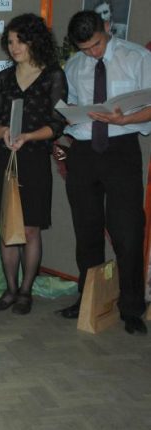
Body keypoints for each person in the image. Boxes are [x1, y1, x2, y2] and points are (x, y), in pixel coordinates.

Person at [57, 11, 151, 335]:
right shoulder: (74, 65)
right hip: (83, 151)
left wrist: (125, 119)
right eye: (85, 49)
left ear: (107, 29)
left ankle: (132, 307)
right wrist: (68, 116)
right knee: (87, 231)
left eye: (96, 45)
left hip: (121, 149)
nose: (93, 53)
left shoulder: (137, 57)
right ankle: (88, 297)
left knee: (127, 231)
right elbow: (70, 105)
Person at [0, 14, 67, 315]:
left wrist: (29, 136)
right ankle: (10, 289)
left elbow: (57, 124)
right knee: (8, 228)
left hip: (33, 160)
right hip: (5, 159)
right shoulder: (3, 78)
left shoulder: (53, 76)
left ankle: (26, 291)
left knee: (30, 229)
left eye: (21, 41)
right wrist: (4, 133)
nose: (14, 47)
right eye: (10, 42)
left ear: (36, 41)